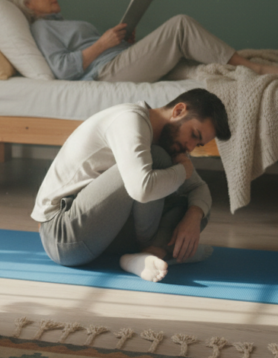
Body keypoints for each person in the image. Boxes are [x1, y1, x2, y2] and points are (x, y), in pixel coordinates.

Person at [32, 88, 230, 282]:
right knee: (157, 160)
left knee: (198, 207)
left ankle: (147, 255)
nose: (190, 147)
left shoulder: (168, 142)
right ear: (179, 111)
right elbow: (141, 190)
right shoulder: (130, 120)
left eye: (198, 144)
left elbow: (199, 188)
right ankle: (163, 250)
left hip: (99, 233)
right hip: (63, 235)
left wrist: (193, 217)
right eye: (194, 135)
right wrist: (181, 171)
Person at [2, 0, 278, 83]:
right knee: (180, 25)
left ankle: (246, 72)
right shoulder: (42, 30)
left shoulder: (59, 23)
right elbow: (62, 70)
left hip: (119, 59)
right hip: (108, 72)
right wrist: (103, 44)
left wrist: (122, 40)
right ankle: (255, 68)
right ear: (27, 4)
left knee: (195, 62)